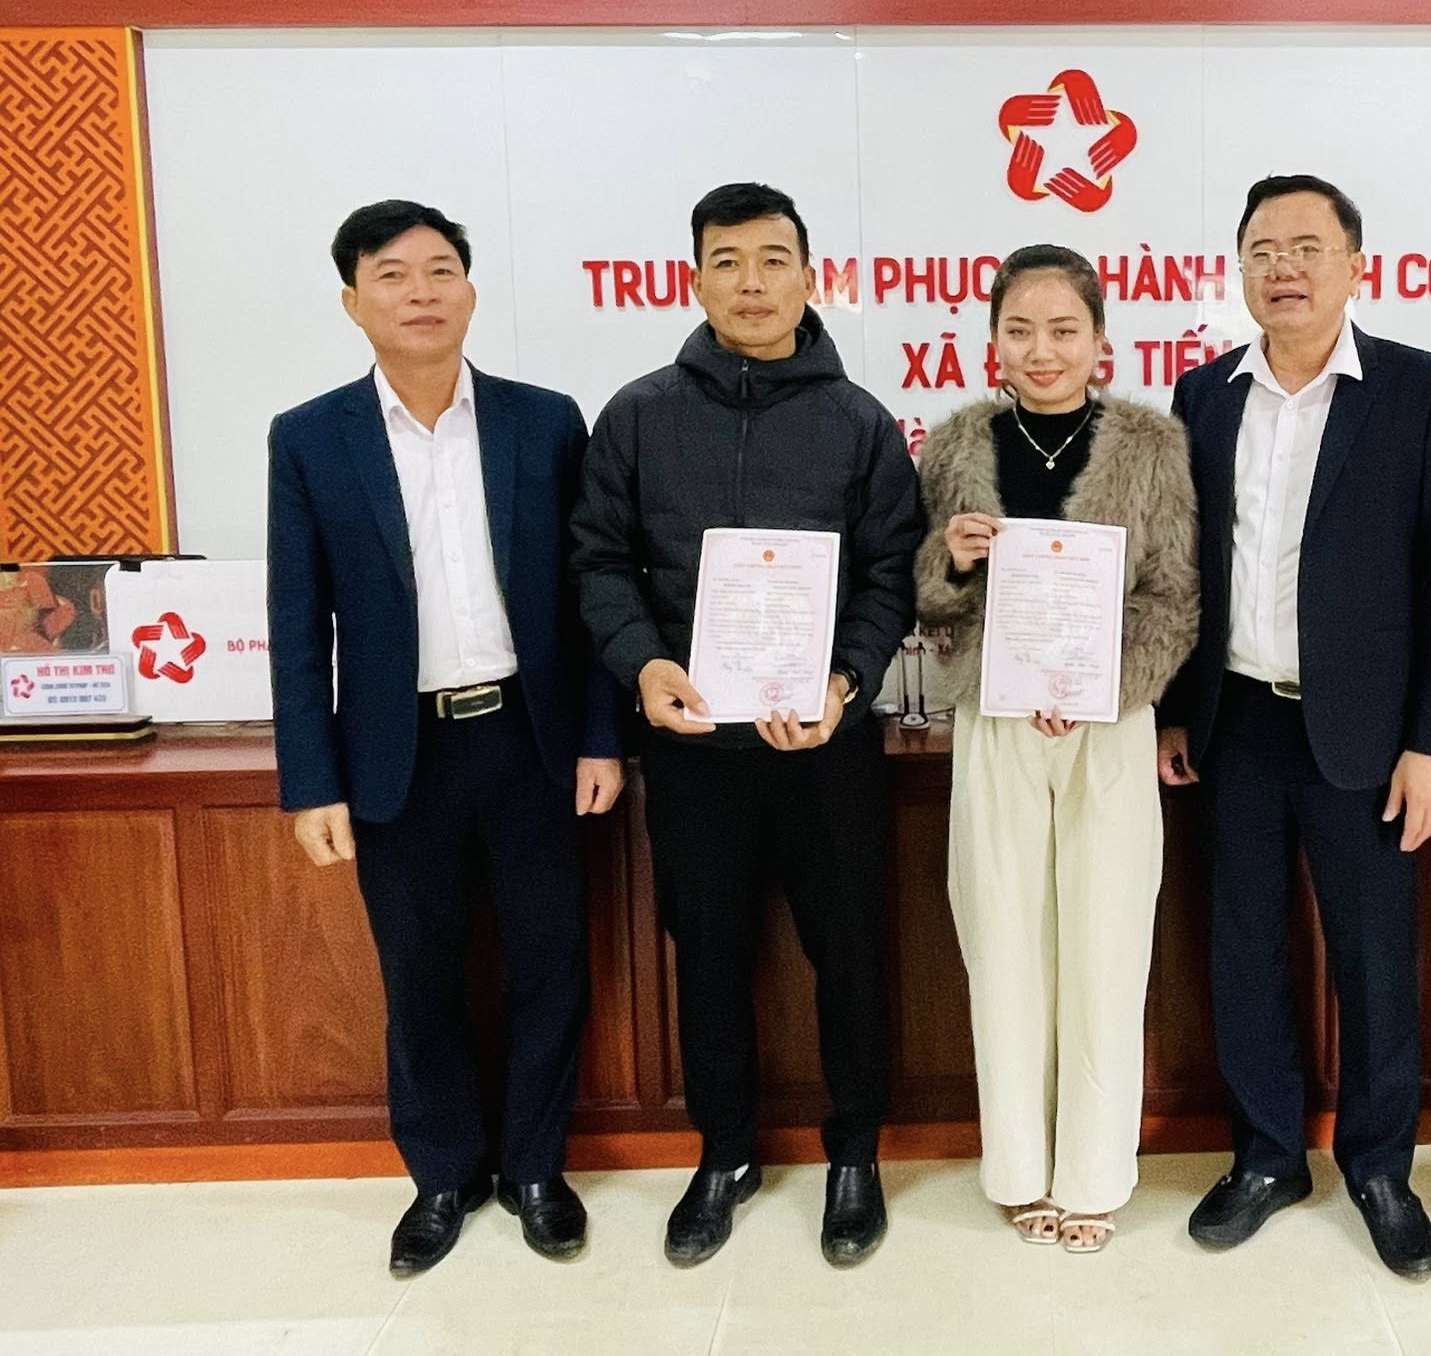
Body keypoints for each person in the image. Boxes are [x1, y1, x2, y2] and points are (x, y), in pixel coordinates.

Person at [572, 181, 923, 1269]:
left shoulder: (859, 422)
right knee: (709, 956)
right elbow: (597, 563)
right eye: (727, 261)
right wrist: (644, 664)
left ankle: (855, 1153)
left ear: (810, 278)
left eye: (774, 260)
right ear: (695, 280)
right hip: (693, 749)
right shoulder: (638, 415)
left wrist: (846, 681)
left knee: (849, 952)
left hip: (827, 747)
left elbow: (891, 574)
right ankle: (724, 1154)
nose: (752, 282)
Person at [268, 200, 622, 1276]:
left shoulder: (543, 422)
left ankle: (534, 1169)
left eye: (439, 271)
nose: (419, 292)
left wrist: (601, 737)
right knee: (419, 976)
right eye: (391, 274)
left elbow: (589, 594)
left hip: (530, 741)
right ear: (353, 302)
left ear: (469, 290)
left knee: (548, 966)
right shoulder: (310, 437)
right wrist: (310, 782)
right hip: (397, 756)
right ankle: (441, 1176)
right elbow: (298, 623)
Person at [1157, 175, 1431, 1279]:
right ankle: (1266, 1158)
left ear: (1356, 265)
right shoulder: (1203, 395)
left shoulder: (1421, 390)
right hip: (1235, 721)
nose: (1283, 268)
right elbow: (1183, 570)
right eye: (1262, 250)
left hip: (1368, 736)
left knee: (1374, 959)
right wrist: (1174, 709)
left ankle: (1381, 1167)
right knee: (1242, 948)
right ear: (1239, 270)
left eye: (1306, 246)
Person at [915, 244, 1198, 1254]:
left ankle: (1091, 1176)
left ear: (1099, 339)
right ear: (992, 339)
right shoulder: (955, 443)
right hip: (994, 722)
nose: (1042, 350)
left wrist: (1099, 691)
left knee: (1106, 943)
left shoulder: (1152, 444)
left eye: (1064, 329)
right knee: (1002, 940)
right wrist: (949, 560)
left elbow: (1173, 595)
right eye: (1021, 330)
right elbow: (924, 595)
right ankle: (1017, 1168)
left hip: (1107, 725)